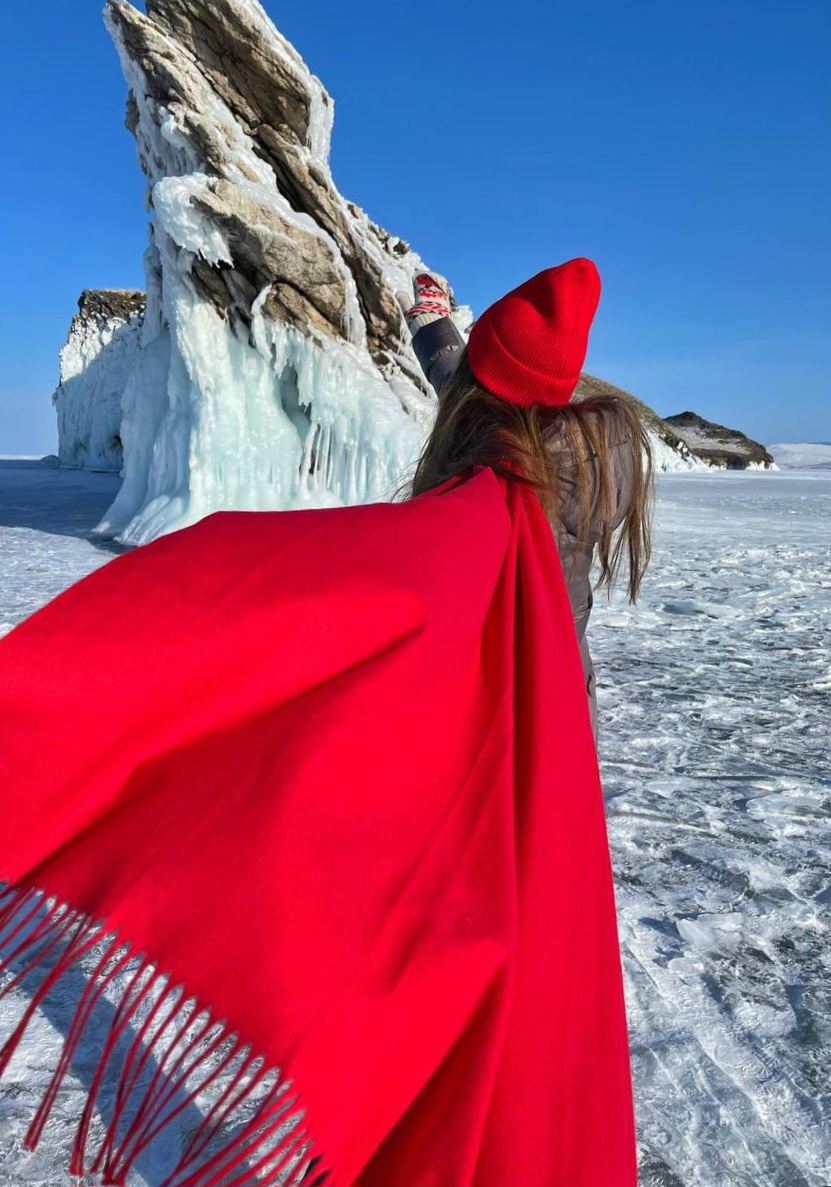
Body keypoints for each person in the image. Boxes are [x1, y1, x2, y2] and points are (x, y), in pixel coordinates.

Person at [398, 258, 655, 744]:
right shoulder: (583, 455)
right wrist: (434, 329)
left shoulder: (498, 484)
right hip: (568, 702)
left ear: (482, 394)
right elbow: (461, 379)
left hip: (511, 719)